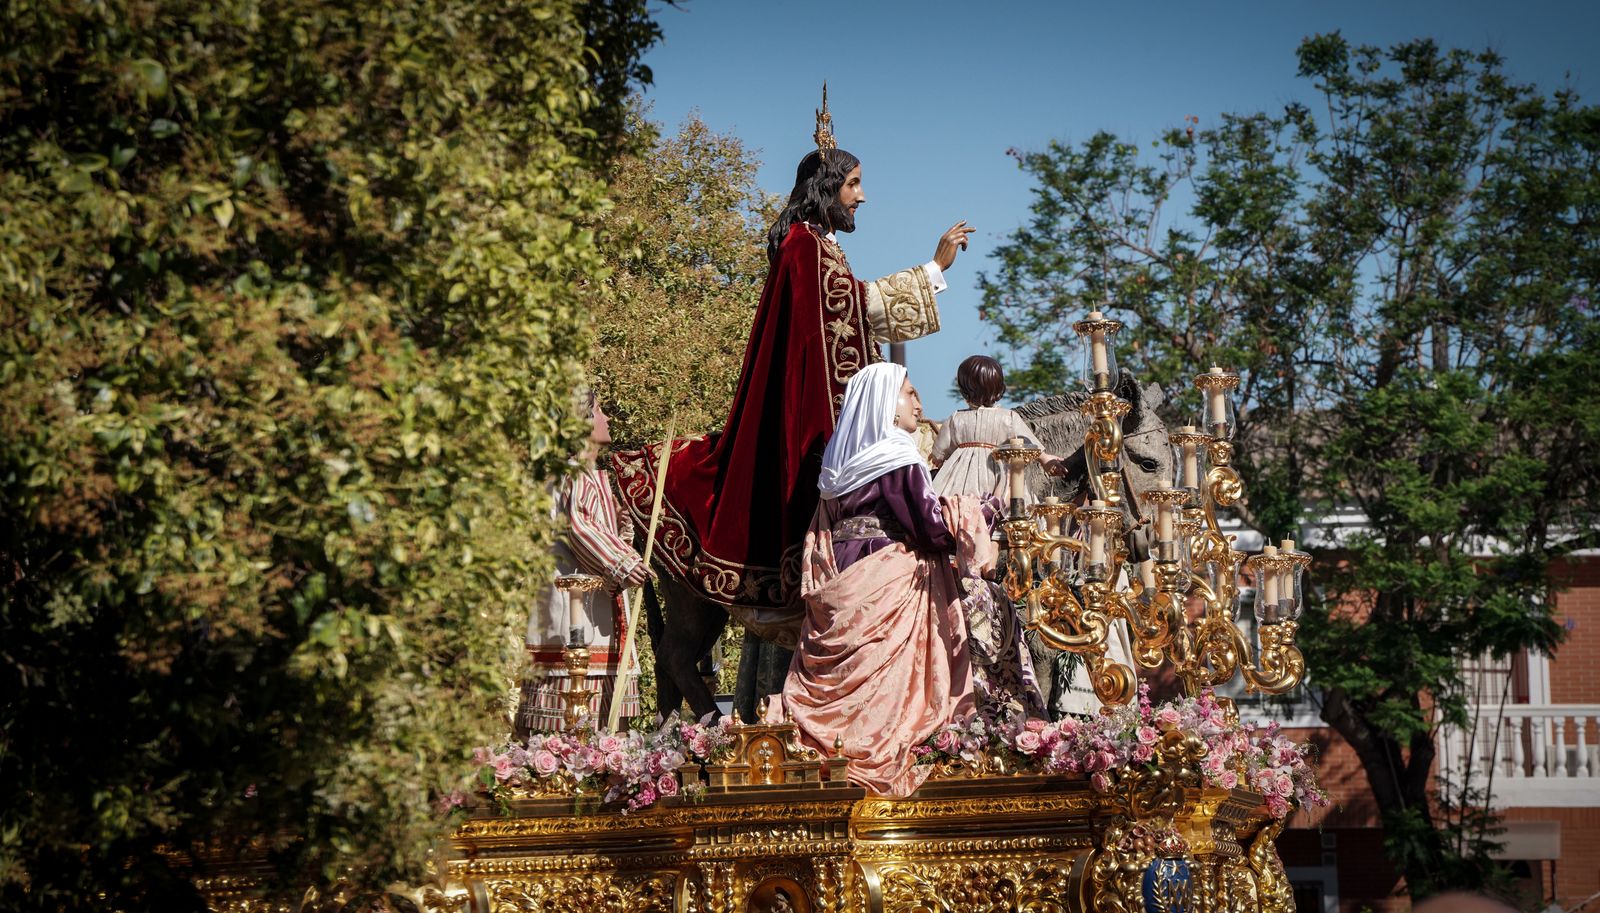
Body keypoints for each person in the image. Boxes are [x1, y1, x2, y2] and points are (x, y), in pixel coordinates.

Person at [611, 88, 976, 654]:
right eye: (854, 184)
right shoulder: (804, 248)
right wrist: (931, 269)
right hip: (811, 412)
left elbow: (850, 312)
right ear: (828, 188)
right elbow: (841, 318)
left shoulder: (818, 248)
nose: (862, 196)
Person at [776, 362, 993, 797]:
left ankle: (832, 757)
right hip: (888, 577)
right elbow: (931, 529)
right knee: (888, 687)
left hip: (845, 575)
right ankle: (878, 760)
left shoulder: (838, 467)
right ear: (883, 403)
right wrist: (979, 510)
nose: (919, 404)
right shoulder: (896, 453)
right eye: (910, 393)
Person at [515, 392, 650, 737]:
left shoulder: (579, 475)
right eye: (600, 410)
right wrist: (624, 563)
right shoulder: (573, 474)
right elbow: (580, 529)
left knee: (602, 727)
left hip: (591, 611)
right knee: (579, 729)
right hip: (579, 616)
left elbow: (591, 531)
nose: (607, 418)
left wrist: (621, 531)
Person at [931, 355, 1065, 504]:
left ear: (964, 390)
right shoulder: (1008, 418)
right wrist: (1045, 459)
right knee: (1006, 506)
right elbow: (1028, 443)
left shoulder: (956, 418)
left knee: (953, 505)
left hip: (959, 479)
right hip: (996, 473)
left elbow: (939, 453)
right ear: (999, 388)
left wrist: (940, 459)